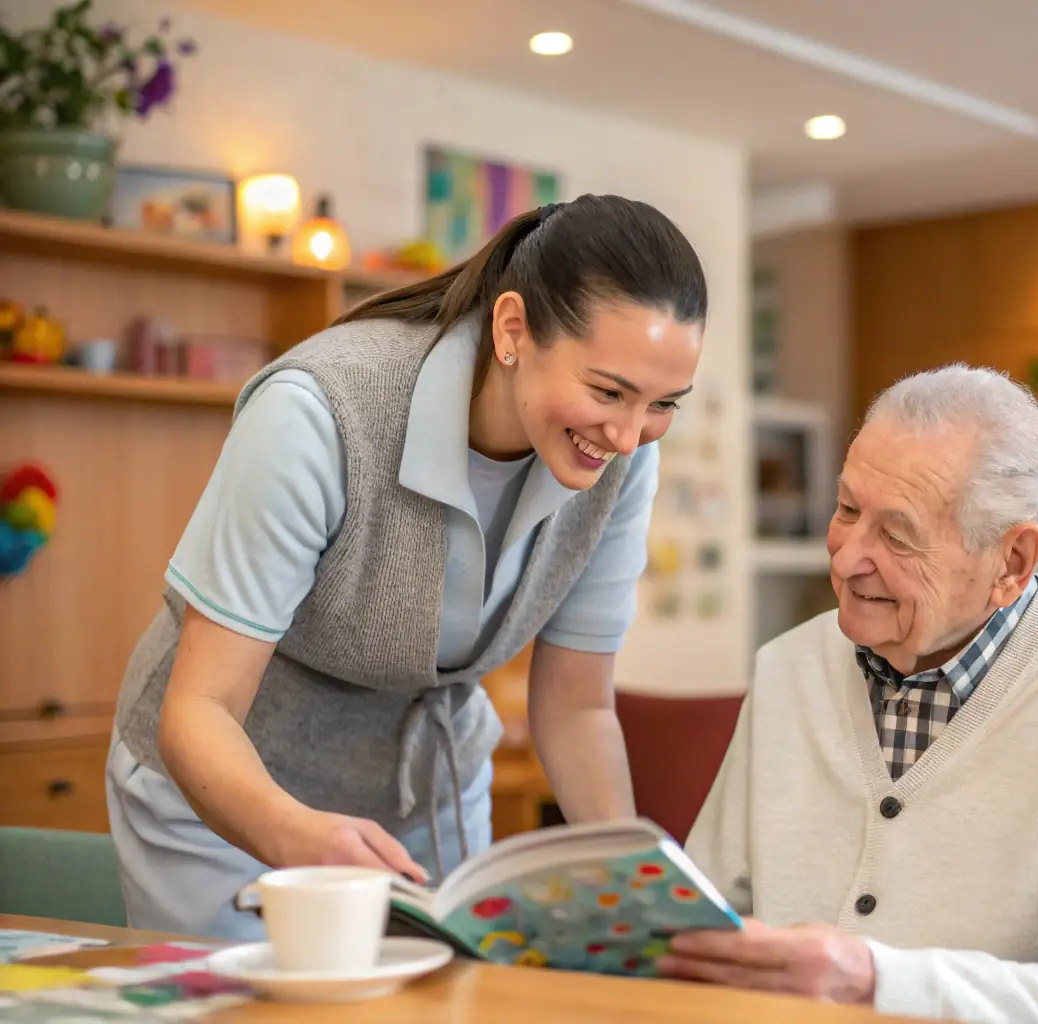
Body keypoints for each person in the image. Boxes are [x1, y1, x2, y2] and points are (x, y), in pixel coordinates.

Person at [106, 194, 708, 938]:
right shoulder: (320, 412)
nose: (627, 434)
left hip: (425, 792)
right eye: (607, 391)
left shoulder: (619, 455)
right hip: (229, 794)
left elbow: (576, 706)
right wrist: (296, 837)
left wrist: (637, 889)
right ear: (513, 328)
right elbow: (200, 709)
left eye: (662, 404)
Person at [665, 366, 1038, 1023]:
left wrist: (875, 982)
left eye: (895, 536)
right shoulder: (788, 667)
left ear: (1011, 563)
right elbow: (698, 929)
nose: (843, 559)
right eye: (845, 510)